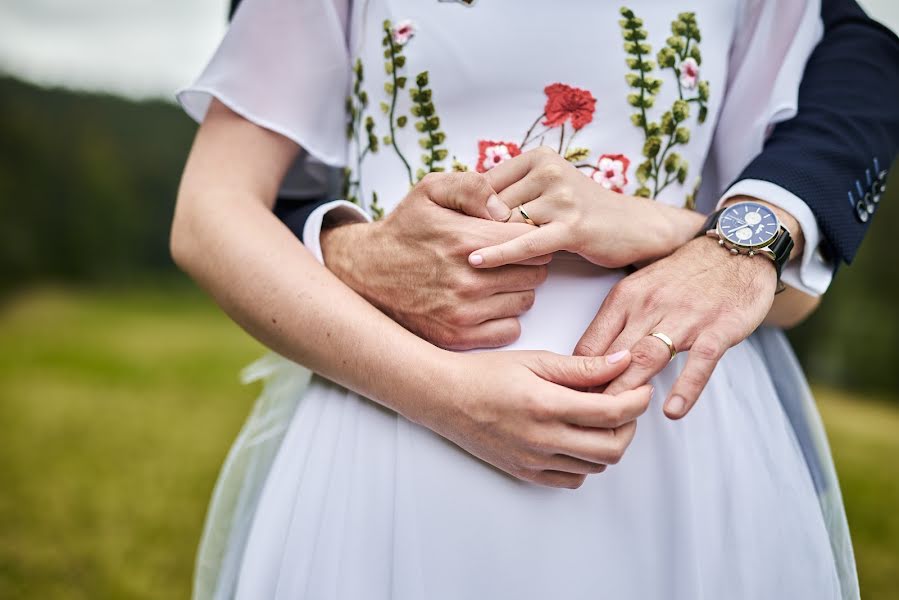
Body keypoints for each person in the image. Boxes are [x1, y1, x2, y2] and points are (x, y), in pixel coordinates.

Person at [171, 1, 895, 598]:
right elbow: (210, 215)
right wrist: (441, 392)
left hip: (663, 448)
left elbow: (788, 294)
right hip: (388, 415)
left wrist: (672, 228)